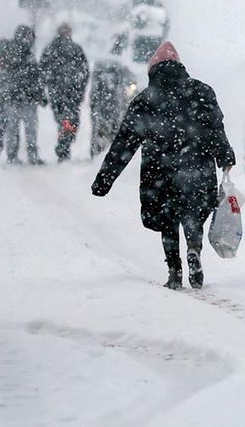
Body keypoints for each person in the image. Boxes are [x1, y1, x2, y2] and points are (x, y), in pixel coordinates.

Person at [92, 41, 235, 289]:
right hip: (197, 167)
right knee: (192, 214)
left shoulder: (146, 100)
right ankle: (193, 250)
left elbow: (123, 144)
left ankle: (174, 269)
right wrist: (225, 156)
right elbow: (215, 129)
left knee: (168, 219)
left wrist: (104, 180)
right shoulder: (201, 91)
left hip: (160, 170)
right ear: (180, 67)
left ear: (152, 71)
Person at [40, 23, 90, 162]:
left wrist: (80, 88)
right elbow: (43, 71)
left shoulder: (74, 49)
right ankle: (63, 148)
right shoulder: (54, 49)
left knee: (68, 122)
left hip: (69, 93)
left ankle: (64, 145)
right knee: (66, 121)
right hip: (61, 93)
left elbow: (84, 70)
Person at [0, 25, 45, 165]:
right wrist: (36, 92)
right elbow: (32, 77)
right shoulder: (18, 54)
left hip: (18, 99)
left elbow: (34, 77)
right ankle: (21, 156)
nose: (30, 40)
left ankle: (16, 156)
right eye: (28, 36)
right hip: (19, 99)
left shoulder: (23, 54)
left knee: (18, 129)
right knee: (25, 129)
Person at [89, 34, 135, 158]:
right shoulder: (112, 64)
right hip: (110, 104)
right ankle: (104, 153)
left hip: (111, 104)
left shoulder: (115, 64)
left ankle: (103, 153)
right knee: (107, 130)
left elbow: (129, 80)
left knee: (106, 129)